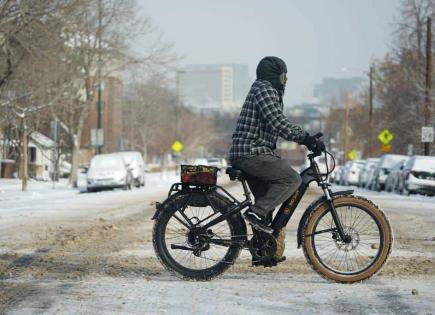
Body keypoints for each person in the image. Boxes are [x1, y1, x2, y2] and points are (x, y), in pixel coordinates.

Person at [228, 56, 318, 234]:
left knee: (266, 201)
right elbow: (278, 123)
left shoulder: (264, 89)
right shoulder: (265, 89)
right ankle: (255, 213)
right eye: (285, 75)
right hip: (251, 152)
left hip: (251, 152)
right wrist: (306, 138)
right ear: (276, 75)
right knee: (291, 179)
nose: (286, 79)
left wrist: (307, 138)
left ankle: (264, 251)